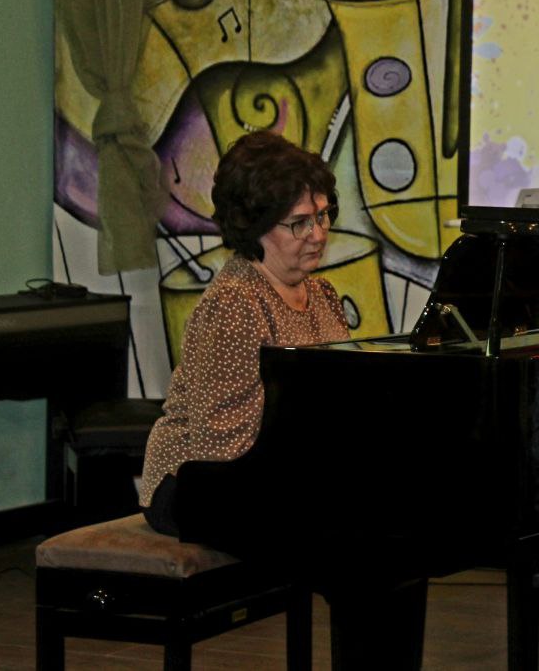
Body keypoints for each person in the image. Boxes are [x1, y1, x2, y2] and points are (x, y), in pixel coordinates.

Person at [139, 130, 427, 670]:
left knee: (402, 545)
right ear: (254, 226)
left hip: (273, 478)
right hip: (197, 483)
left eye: (323, 216)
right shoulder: (234, 303)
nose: (317, 234)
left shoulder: (320, 295)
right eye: (299, 223)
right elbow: (220, 443)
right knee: (362, 556)